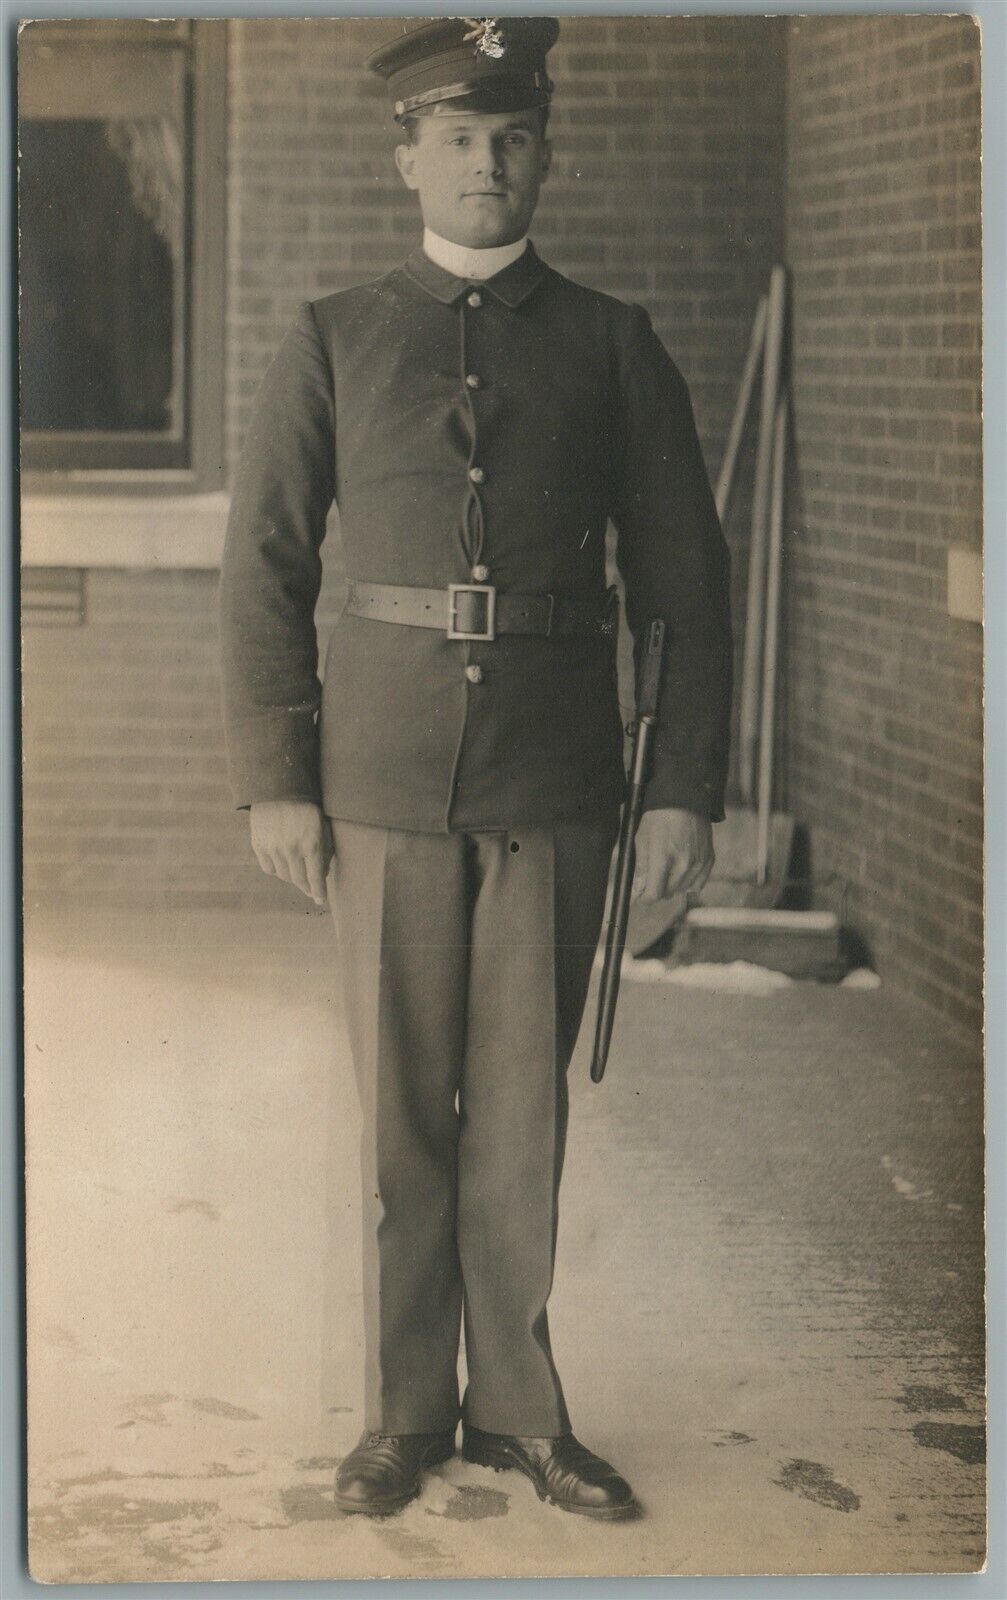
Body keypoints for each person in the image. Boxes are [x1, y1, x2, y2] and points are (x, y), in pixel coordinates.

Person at [220, 16, 732, 1523]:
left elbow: (686, 586)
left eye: (512, 139)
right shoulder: (335, 334)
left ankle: (517, 1410)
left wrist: (681, 788)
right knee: (401, 1121)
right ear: (408, 161)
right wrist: (278, 773)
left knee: (520, 1119)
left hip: (553, 781)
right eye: (457, 139)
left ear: (545, 155)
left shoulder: (613, 343)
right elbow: (262, 567)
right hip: (379, 780)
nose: (487, 164)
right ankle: (402, 1413)